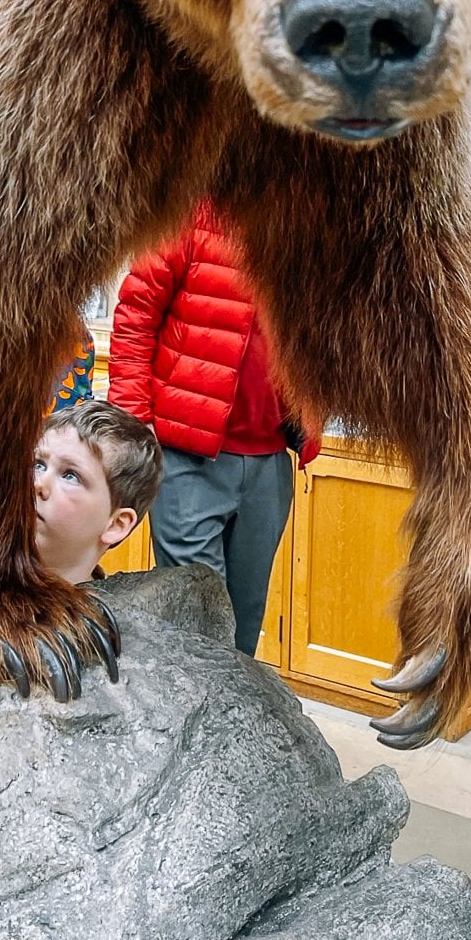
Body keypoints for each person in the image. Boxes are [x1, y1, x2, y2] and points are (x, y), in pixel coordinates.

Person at [108, 201, 318, 656]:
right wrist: (135, 427)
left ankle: (232, 724)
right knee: (198, 620)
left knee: (245, 617)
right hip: (187, 460)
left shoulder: (307, 233)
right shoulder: (188, 215)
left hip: (269, 463)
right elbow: (135, 318)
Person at [33, 398, 163, 585]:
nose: (38, 483)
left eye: (71, 476)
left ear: (116, 525)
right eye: (38, 464)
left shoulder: (113, 613)